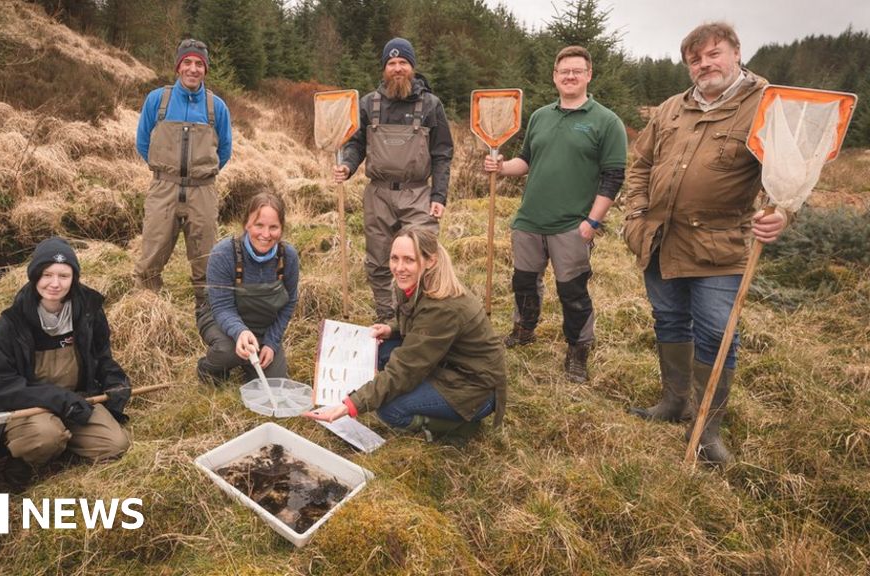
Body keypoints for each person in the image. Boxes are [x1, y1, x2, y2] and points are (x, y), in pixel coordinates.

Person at [623, 22, 788, 465]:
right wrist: (636, 214)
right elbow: (640, 164)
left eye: (713, 54)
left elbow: (787, 173)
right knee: (670, 321)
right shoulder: (671, 108)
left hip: (719, 248)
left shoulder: (765, 105)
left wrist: (783, 213)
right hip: (660, 240)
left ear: (735, 52)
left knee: (717, 334)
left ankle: (707, 429)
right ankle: (674, 402)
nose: (704, 64)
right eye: (695, 59)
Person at [484, 45, 627, 383]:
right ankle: (524, 329)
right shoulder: (540, 117)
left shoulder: (606, 122)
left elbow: (613, 177)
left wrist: (593, 221)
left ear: (588, 75)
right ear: (555, 76)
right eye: (564, 71)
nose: (570, 76)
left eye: (577, 71)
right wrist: (501, 167)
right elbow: (526, 162)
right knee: (523, 282)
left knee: (573, 292)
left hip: (572, 225)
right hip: (530, 220)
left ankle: (578, 351)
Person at [304, 227, 506, 441]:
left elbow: (405, 369)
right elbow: (420, 324)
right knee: (380, 353)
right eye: (394, 258)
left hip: (474, 387)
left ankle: (461, 426)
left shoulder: (443, 307)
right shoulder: (415, 282)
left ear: (430, 261)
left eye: (409, 260)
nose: (399, 268)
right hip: (444, 363)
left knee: (390, 409)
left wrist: (351, 405)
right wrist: (392, 329)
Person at [0, 237, 131, 488]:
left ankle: (58, 445)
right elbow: (0, 382)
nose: (55, 284)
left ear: (73, 278)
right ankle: (22, 465)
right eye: (47, 275)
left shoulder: (88, 310)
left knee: (115, 444)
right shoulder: (10, 323)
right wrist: (55, 398)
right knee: (45, 437)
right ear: (34, 277)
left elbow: (101, 356)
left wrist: (115, 381)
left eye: (64, 276)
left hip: (76, 399)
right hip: (26, 406)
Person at [334, 38, 454, 322]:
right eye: (391, 63)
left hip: (417, 194)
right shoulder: (368, 103)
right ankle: (386, 317)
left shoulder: (431, 105)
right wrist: (347, 166)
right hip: (378, 194)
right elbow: (355, 143)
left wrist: (439, 196)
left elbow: (442, 153)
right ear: (384, 68)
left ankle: (418, 316)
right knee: (378, 259)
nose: (397, 68)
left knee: (420, 256)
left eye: (403, 63)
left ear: (412, 67)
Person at [134, 38, 232, 317]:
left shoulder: (217, 107)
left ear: (205, 69)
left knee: (206, 258)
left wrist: (199, 175)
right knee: (152, 252)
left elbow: (224, 150)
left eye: (199, 64)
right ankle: (146, 311)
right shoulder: (158, 100)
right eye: (187, 62)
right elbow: (143, 142)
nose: (193, 69)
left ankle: (207, 313)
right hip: (163, 188)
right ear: (178, 67)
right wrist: (167, 172)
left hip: (203, 191)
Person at [197, 192, 300, 383]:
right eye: (259, 225)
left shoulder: (289, 257)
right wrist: (240, 332)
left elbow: (290, 302)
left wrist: (271, 342)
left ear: (282, 228)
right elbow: (222, 307)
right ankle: (210, 369)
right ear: (247, 224)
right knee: (227, 350)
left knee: (275, 384)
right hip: (219, 319)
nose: (266, 234)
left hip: (263, 326)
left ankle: (249, 361)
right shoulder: (223, 253)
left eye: (274, 227)